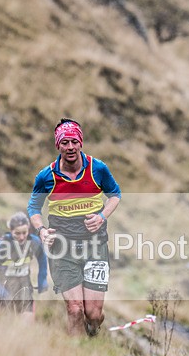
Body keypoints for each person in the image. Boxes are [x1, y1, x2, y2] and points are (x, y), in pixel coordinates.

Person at [28, 118, 122, 336]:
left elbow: (115, 195)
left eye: (73, 142)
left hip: (95, 246)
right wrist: (42, 231)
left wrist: (101, 217)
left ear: (81, 143)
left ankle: (94, 332)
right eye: (64, 142)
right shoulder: (46, 176)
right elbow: (34, 207)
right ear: (57, 146)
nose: (69, 147)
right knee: (74, 309)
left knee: (93, 314)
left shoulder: (98, 169)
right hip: (62, 249)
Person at [0, 211, 48, 318]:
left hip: (25, 288)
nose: (21, 237)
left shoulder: (34, 242)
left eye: (24, 233)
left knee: (27, 325)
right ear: (11, 231)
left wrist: (42, 279)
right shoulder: (0, 245)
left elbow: (42, 259)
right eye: (17, 233)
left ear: (28, 230)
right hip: (4, 292)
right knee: (7, 328)